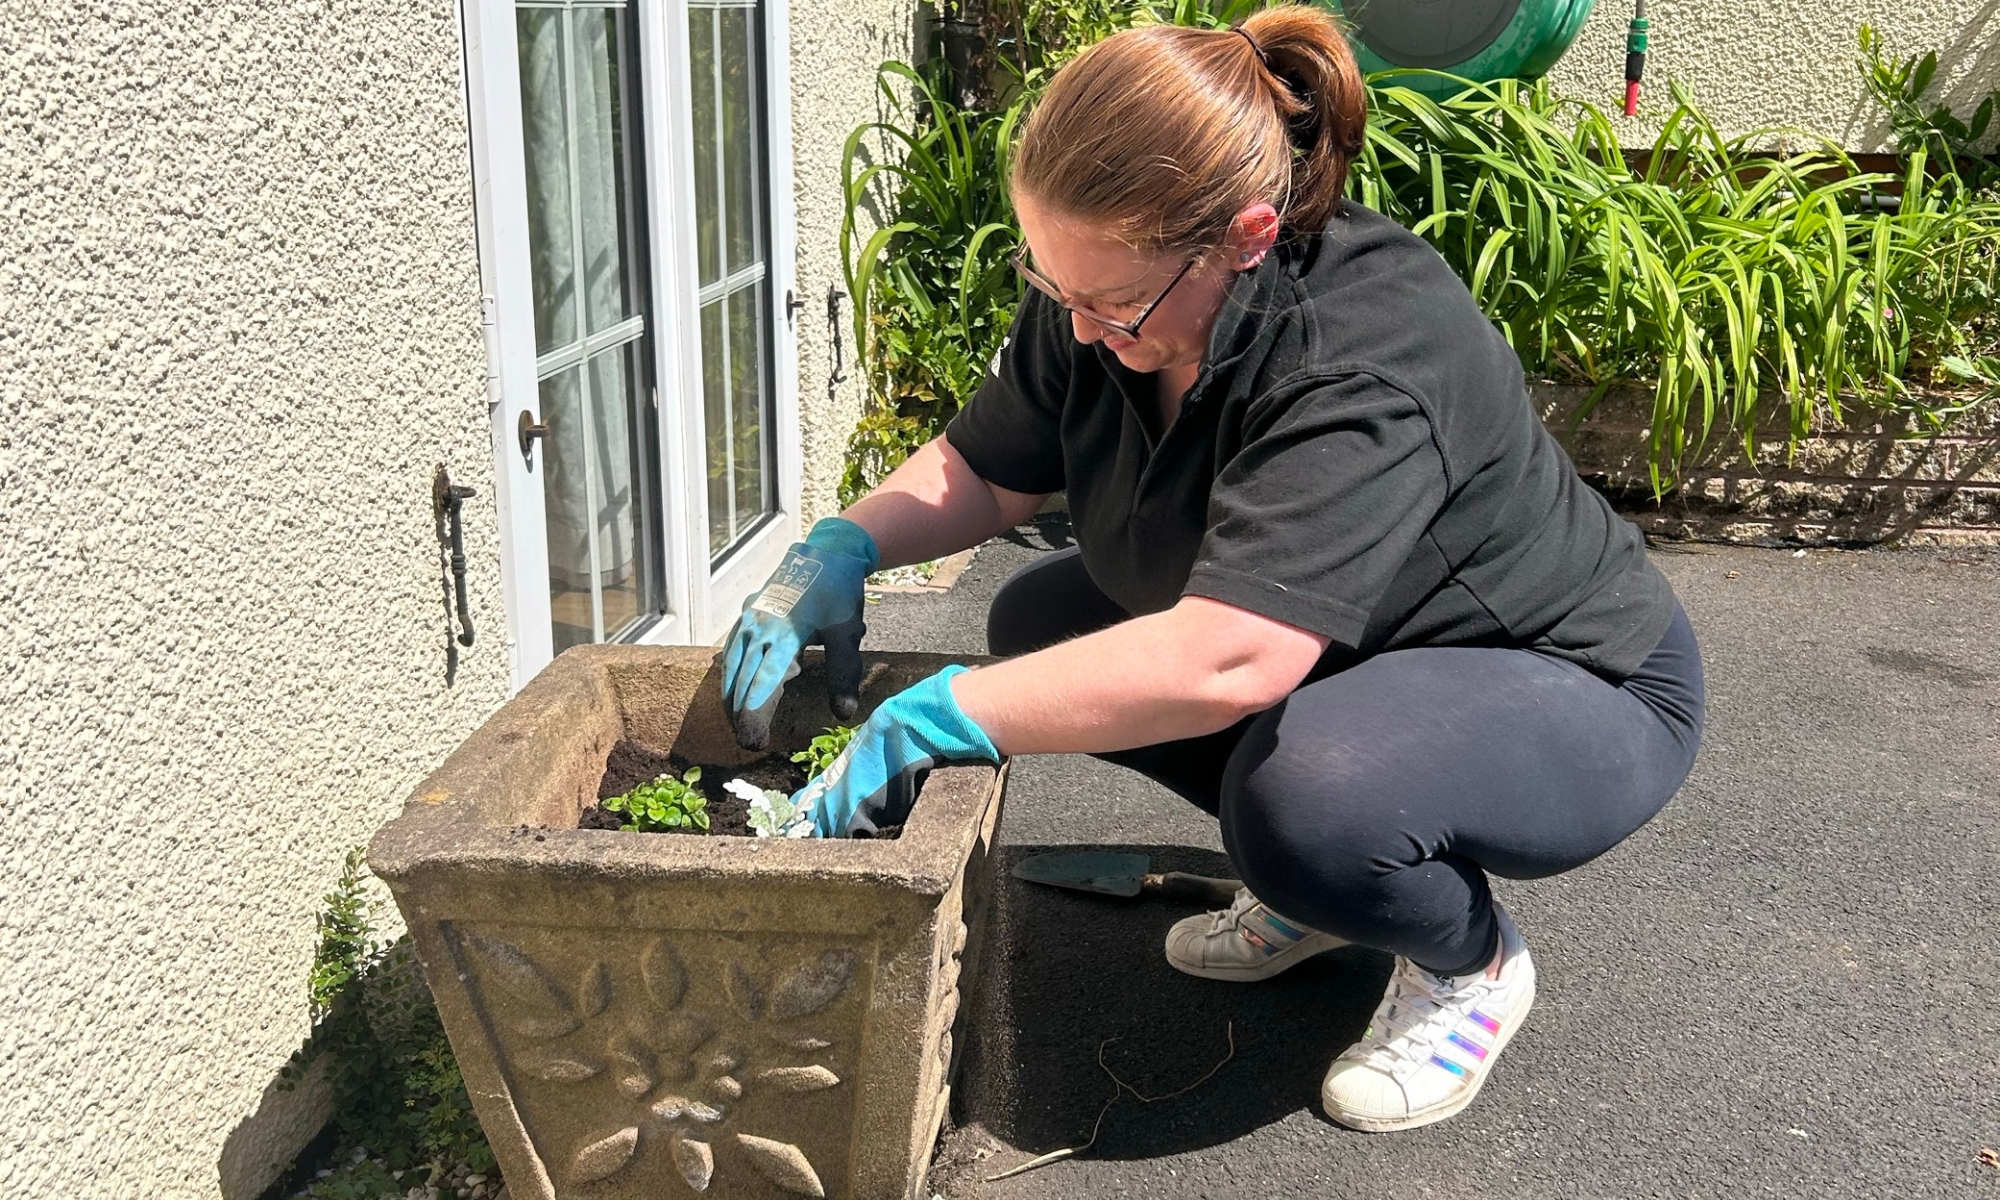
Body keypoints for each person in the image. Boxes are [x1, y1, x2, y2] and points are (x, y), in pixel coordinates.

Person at [720, 3, 1704, 1133]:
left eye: (1107, 303)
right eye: (1055, 288)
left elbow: (1231, 658)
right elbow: (986, 470)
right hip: (1367, 646)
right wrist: (839, 547)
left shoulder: (1363, 348)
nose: (1078, 329)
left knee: (1309, 808)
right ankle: (1322, 892)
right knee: (1044, 625)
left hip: (1570, 682)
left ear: (1244, 235)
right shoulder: (1109, 281)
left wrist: (942, 713)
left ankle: (1465, 959)